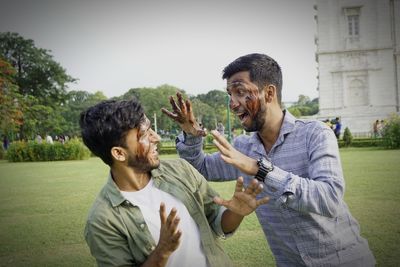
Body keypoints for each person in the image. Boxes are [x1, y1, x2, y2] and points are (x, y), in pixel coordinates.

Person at [162, 53, 375, 266]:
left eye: (240, 92)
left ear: (269, 92)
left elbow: (329, 199)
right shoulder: (243, 147)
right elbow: (200, 169)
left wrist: (259, 168)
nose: (232, 104)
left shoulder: (315, 134)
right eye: (230, 94)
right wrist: (190, 134)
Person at [80, 99, 269, 267]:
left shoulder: (180, 170)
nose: (157, 138)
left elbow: (218, 223)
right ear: (119, 153)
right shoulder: (102, 220)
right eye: (144, 135)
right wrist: (162, 251)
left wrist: (236, 212)